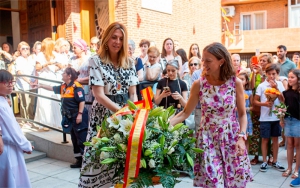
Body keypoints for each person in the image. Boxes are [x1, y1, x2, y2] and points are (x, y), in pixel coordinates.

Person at [170, 42, 252, 187]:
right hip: (208, 139)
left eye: (208, 61)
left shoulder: (235, 83)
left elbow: (242, 115)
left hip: (231, 137)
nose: (204, 64)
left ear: (221, 61)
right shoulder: (199, 84)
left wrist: (241, 136)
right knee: (213, 183)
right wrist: (164, 125)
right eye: (203, 60)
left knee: (232, 182)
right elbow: (185, 112)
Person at [79, 22, 139, 188]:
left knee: (122, 160)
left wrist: (133, 113)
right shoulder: (95, 60)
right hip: (103, 116)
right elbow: (99, 94)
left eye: (121, 38)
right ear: (106, 39)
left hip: (126, 114)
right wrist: (122, 112)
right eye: (114, 37)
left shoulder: (129, 62)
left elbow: (133, 93)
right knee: (99, 158)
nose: (117, 42)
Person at [37, 67, 88, 168]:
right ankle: (79, 160)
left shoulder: (76, 86)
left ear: (69, 76)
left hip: (77, 115)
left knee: (82, 139)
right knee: (74, 138)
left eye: (64, 73)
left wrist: (80, 114)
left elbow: (82, 101)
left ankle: (86, 162)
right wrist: (40, 85)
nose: (62, 74)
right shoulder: (64, 87)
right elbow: (52, 88)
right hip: (69, 117)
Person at [0, 69, 33, 188]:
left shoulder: (4, 100)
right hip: (7, 147)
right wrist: (25, 144)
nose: (10, 85)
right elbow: (12, 129)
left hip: (10, 145)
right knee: (11, 178)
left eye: (11, 81)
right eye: (5, 82)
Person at [253, 63, 286, 172]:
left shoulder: (280, 84)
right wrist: (265, 104)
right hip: (265, 118)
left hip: (276, 117)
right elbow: (255, 101)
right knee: (265, 139)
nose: (271, 76)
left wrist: (276, 88)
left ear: (277, 74)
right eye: (269, 74)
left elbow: (283, 100)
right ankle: (264, 161)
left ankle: (275, 160)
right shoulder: (262, 86)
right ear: (266, 74)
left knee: (276, 139)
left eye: (274, 74)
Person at [249, 53, 274, 165]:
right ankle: (255, 156)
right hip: (257, 105)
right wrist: (254, 74)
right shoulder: (254, 73)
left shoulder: (270, 74)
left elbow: (269, 85)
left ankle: (270, 156)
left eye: (264, 61)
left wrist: (263, 74)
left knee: (269, 133)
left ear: (268, 62)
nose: (261, 63)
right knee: (256, 132)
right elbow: (251, 86)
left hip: (268, 104)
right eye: (260, 60)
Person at [281, 69, 300, 179]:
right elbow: (284, 107)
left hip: (298, 121)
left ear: (298, 79)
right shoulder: (286, 93)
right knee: (289, 145)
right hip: (288, 120)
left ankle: (297, 169)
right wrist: (281, 119)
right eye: (289, 77)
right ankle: (289, 168)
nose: (290, 79)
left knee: (298, 145)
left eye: (292, 77)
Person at [14, 41, 36, 123]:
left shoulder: (32, 58)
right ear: (19, 50)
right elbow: (19, 72)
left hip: (33, 84)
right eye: (23, 48)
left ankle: (31, 119)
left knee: (31, 103)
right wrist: (29, 81)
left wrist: (35, 81)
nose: (26, 50)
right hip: (24, 84)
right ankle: (25, 120)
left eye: (27, 48)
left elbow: (35, 70)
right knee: (25, 104)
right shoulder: (19, 59)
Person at [70, 39, 93, 115]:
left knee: (86, 108)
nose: (73, 49)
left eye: (75, 48)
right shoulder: (72, 59)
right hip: (74, 88)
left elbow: (92, 76)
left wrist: (80, 80)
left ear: (82, 48)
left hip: (85, 88)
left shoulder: (89, 59)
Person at [237, 71, 253, 151]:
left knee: (245, 137)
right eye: (238, 79)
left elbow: (253, 106)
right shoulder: (234, 92)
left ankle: (245, 154)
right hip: (236, 116)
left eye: (242, 79)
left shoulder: (249, 92)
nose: (240, 81)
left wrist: (247, 109)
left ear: (246, 81)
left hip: (246, 116)